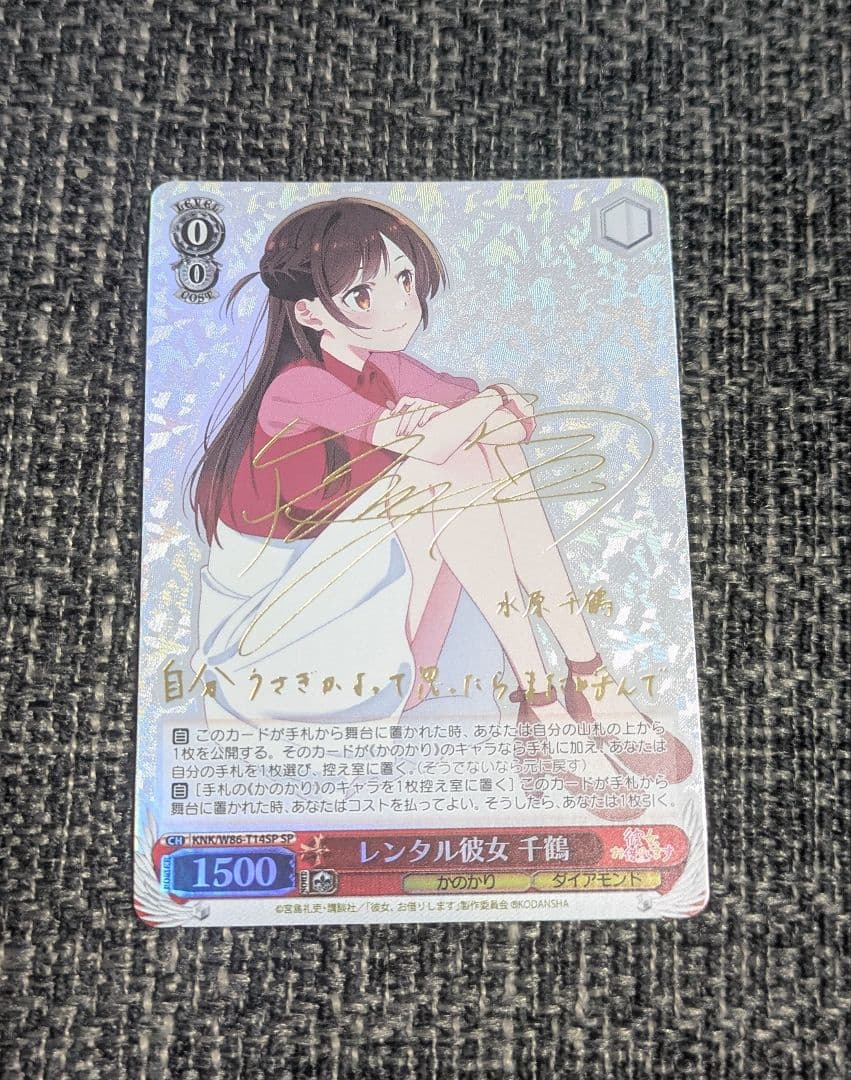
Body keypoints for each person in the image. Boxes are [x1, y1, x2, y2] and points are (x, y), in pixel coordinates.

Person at [186, 196, 692, 819]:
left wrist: (473, 413)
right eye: (363, 295)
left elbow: (508, 427)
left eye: (403, 279)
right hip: (287, 634)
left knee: (480, 457)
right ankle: (551, 697)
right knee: (448, 464)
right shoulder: (299, 385)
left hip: (368, 585)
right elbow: (448, 437)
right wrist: (476, 411)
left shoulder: (387, 368)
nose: (401, 304)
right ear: (310, 312)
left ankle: (579, 681)